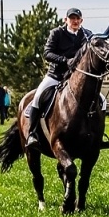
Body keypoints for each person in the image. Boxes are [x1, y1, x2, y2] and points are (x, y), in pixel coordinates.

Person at [23, 8, 92, 147]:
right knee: (37, 97)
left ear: (81, 20)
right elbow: (47, 53)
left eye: (77, 19)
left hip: (76, 78)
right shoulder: (57, 33)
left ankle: (96, 135)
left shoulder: (87, 35)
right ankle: (32, 133)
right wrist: (65, 61)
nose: (75, 21)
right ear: (65, 20)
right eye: (72, 18)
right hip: (56, 75)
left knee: (100, 100)